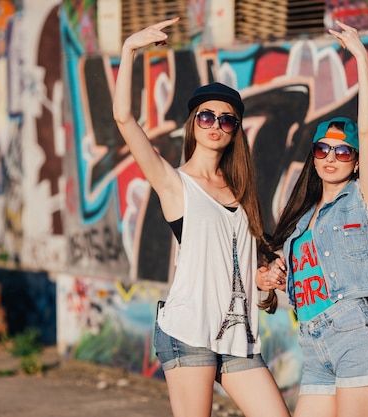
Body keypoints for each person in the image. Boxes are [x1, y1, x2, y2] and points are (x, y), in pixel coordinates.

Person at [112, 17, 290, 417]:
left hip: (237, 336)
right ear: (194, 123)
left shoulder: (243, 195)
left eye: (226, 119)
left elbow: (245, 272)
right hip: (189, 333)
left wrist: (264, 279)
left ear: (235, 131)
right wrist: (129, 50)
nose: (215, 124)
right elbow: (124, 119)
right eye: (206, 116)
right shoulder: (174, 183)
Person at [256, 21, 368, 417]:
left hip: (356, 339)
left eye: (343, 152)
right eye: (322, 149)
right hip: (314, 346)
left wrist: (363, 60)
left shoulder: (360, 201)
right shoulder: (299, 223)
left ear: (355, 163)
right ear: (313, 156)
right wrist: (269, 279)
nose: (331, 158)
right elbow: (292, 287)